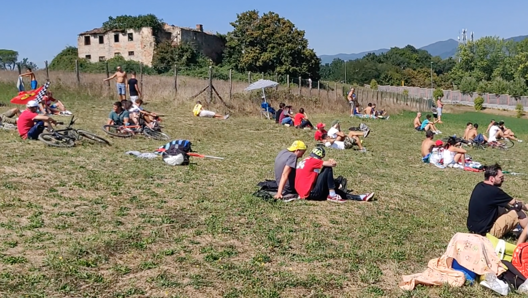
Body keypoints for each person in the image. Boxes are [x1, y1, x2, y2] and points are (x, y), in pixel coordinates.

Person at [467, 163, 528, 244]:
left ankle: (518, 227)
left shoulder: (479, 185)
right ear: (492, 178)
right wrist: (526, 207)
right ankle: (526, 231)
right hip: (485, 234)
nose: (503, 180)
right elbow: (516, 204)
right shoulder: (495, 192)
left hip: (473, 228)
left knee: (502, 206)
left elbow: (506, 203)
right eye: (500, 177)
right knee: (517, 212)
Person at [295, 146, 374, 203]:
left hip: (303, 193)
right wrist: (331, 160)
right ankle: (332, 194)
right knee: (327, 168)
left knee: (337, 191)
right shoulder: (314, 161)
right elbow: (332, 164)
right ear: (321, 156)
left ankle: (361, 197)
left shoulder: (305, 160)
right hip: (310, 194)